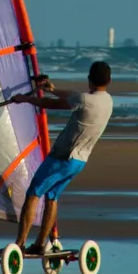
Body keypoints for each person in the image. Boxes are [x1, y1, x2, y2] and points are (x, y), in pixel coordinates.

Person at [13, 61, 113, 254]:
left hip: (62, 157)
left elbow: (52, 104)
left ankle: (20, 244)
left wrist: (25, 100)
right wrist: (53, 88)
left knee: (33, 193)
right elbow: (73, 96)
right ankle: (40, 244)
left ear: (89, 79)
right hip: (79, 161)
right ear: (109, 81)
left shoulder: (84, 100)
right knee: (52, 196)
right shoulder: (107, 100)